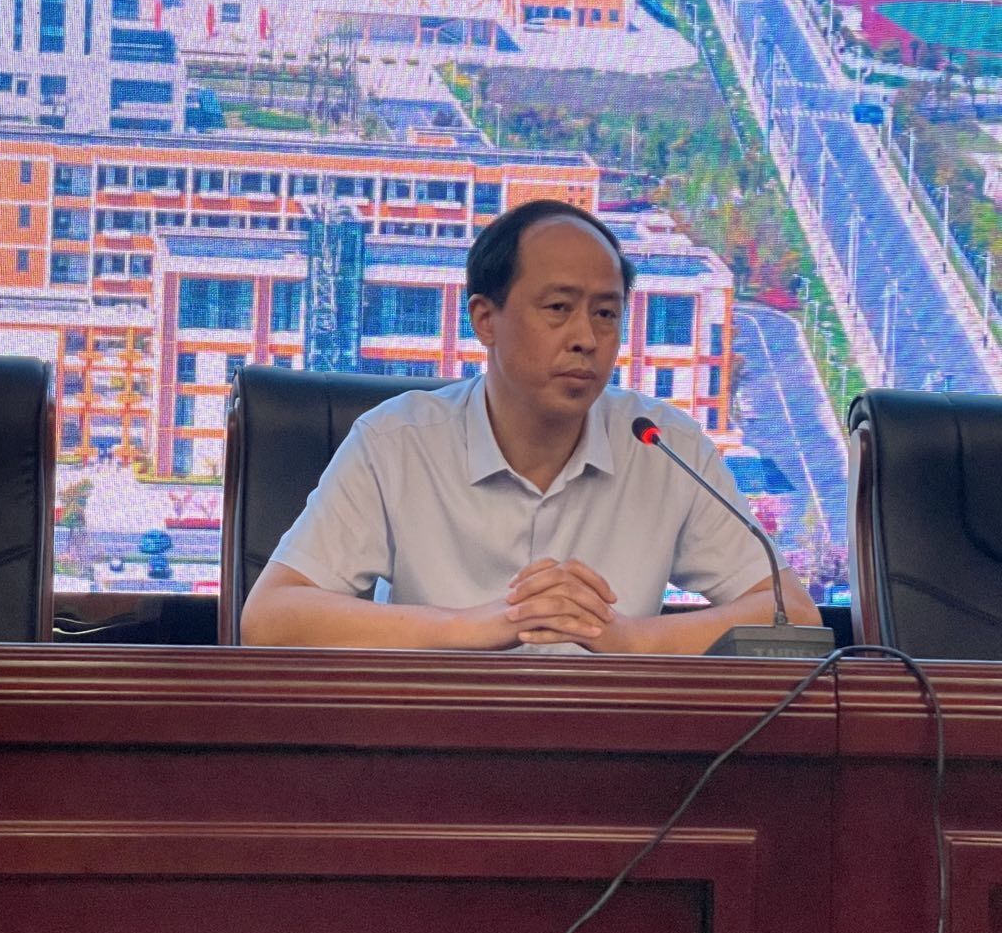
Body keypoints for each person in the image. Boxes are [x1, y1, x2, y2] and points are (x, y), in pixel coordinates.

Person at [241, 199, 820, 653]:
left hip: (609, 749)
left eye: (605, 314)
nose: (586, 338)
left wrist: (628, 640)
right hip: (437, 748)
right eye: (558, 308)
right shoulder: (397, 443)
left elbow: (793, 615)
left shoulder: (663, 445)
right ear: (485, 320)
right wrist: (472, 627)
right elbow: (270, 619)